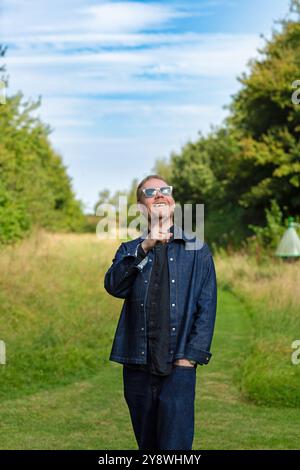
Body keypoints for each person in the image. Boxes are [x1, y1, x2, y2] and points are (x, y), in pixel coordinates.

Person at [104, 174, 217, 450]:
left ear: (173, 201)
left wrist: (189, 358)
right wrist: (145, 246)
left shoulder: (197, 250)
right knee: (148, 446)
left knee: (175, 448)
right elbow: (114, 286)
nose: (160, 195)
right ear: (142, 207)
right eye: (151, 192)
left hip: (178, 365)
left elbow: (207, 306)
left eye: (165, 190)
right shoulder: (130, 249)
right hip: (138, 364)